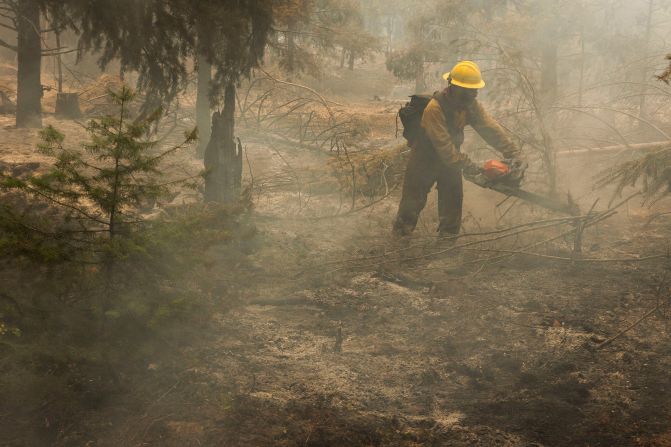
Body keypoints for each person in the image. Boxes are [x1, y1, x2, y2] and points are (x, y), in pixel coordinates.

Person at [393, 60, 524, 238]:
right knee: (412, 202)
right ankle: (400, 241)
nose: (475, 94)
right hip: (424, 159)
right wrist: (470, 166)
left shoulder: (470, 106)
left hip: (451, 160)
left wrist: (512, 152)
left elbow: (489, 128)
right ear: (455, 88)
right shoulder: (434, 109)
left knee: (452, 202)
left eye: (475, 89)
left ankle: (447, 246)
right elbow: (444, 147)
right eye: (470, 90)